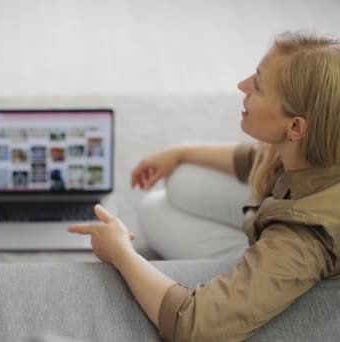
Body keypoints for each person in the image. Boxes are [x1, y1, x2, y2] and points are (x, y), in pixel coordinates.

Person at [69, 31, 340, 341]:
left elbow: (197, 327)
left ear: (295, 127)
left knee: (154, 215)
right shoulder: (319, 140)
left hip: (284, 247)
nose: (242, 85)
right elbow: (255, 158)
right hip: (275, 211)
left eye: (259, 85)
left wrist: (121, 254)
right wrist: (181, 153)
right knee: (171, 189)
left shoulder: (304, 239)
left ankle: (250, 266)